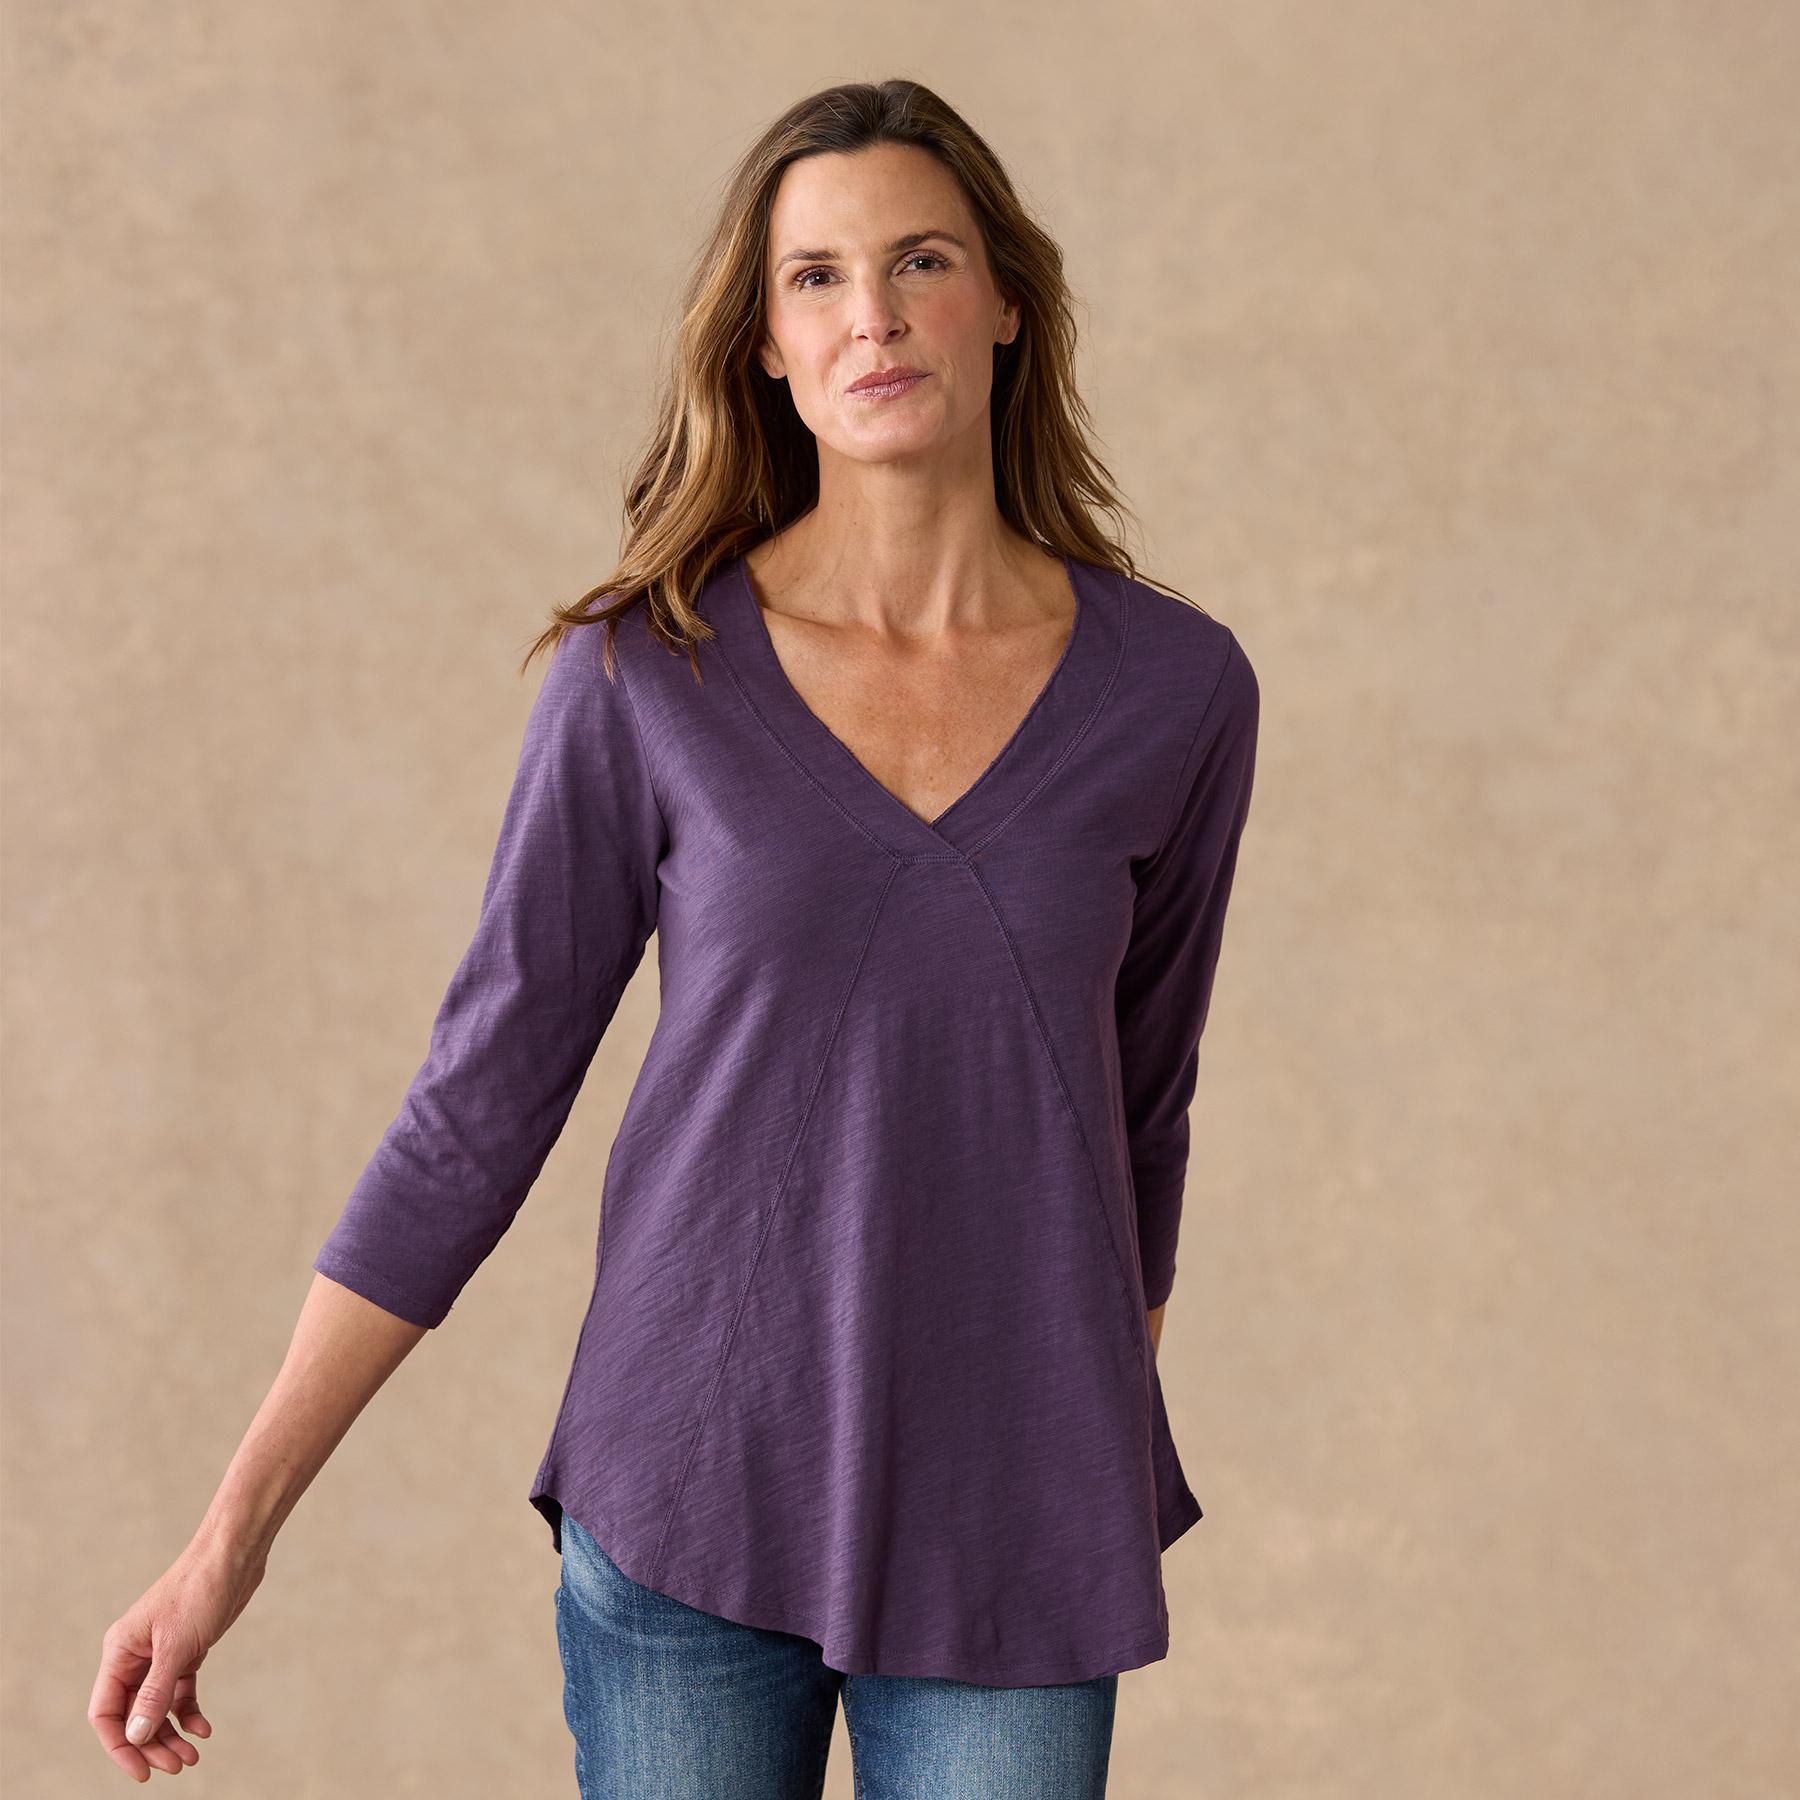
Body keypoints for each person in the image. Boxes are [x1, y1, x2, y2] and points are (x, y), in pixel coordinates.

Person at [89, 77, 1260, 1797]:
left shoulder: (1177, 689)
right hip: (690, 1486)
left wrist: (1070, 1440)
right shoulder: (649, 675)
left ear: (1008, 301)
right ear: (767, 345)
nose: (873, 315)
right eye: (816, 277)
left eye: (922, 261)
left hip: (1014, 1514)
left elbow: (1140, 1110)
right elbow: (475, 1111)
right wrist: (229, 1539)